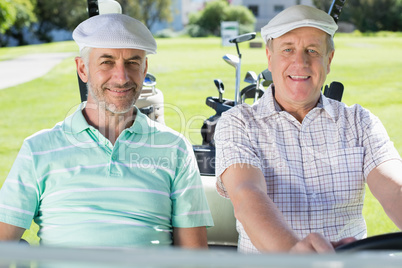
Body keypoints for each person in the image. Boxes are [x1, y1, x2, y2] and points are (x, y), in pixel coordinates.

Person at [0, 13, 213, 248]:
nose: (121, 77)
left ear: (144, 69)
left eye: (132, 62)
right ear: (82, 69)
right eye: (107, 62)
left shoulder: (175, 148)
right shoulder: (38, 149)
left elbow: (194, 257)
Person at [214, 5, 402, 254]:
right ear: (270, 58)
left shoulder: (359, 122)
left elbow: (394, 186)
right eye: (288, 50)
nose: (300, 62)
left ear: (329, 60)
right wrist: (293, 253)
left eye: (312, 50)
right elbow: (246, 194)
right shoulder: (239, 122)